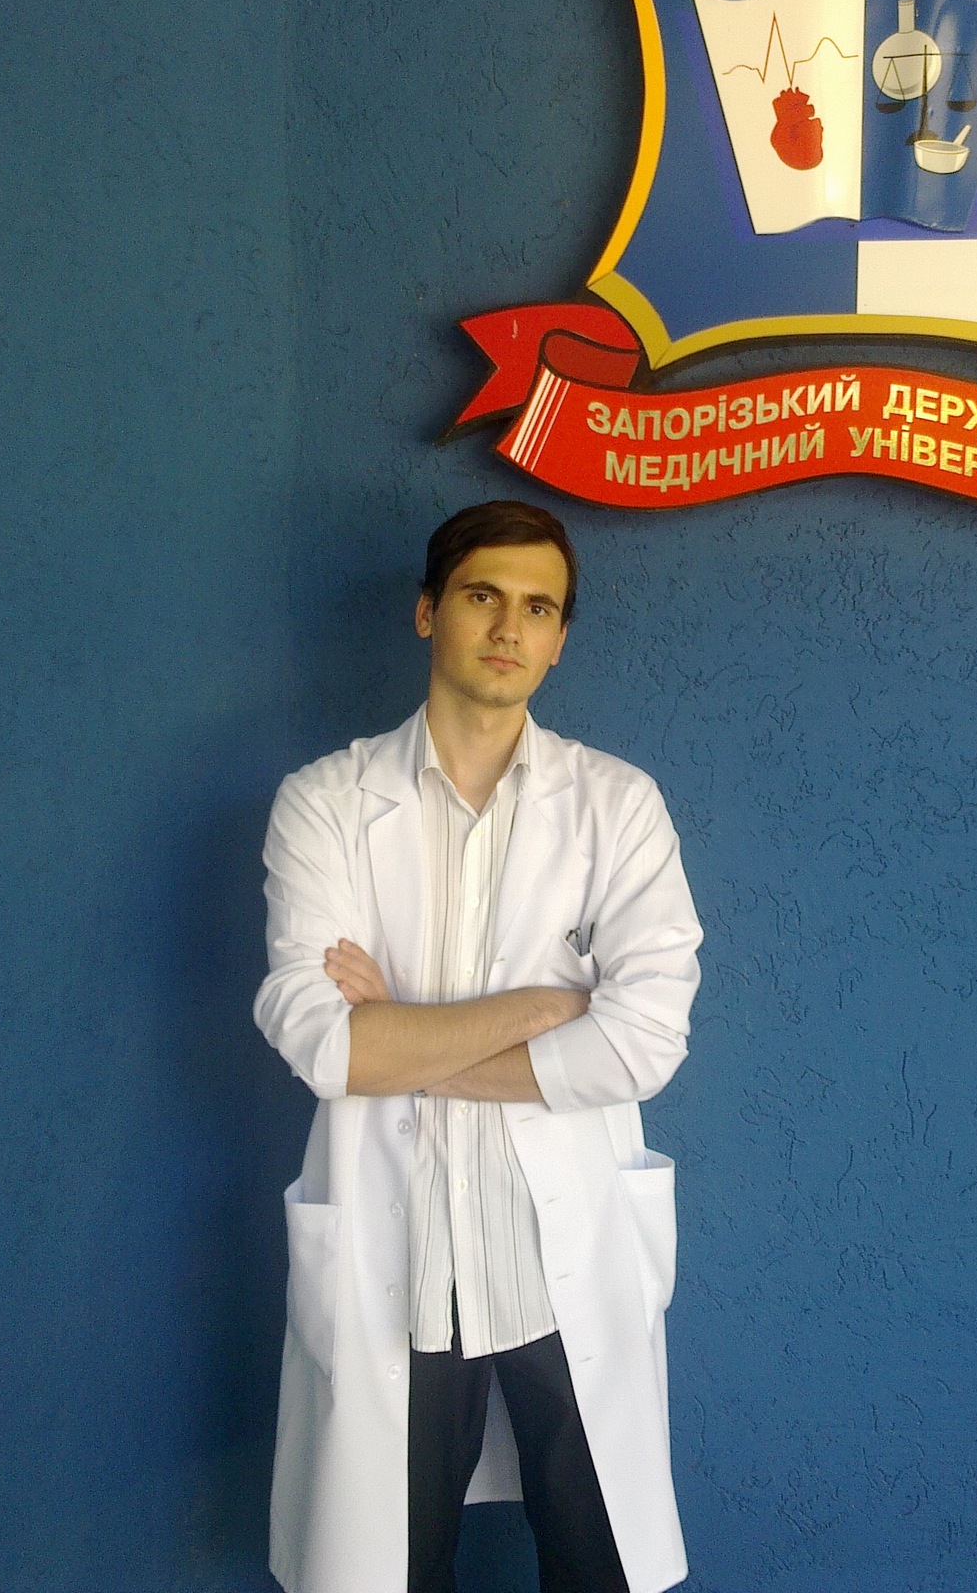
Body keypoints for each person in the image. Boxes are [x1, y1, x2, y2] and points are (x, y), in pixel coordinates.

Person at [255, 500, 703, 1593]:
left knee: (601, 1569)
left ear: (559, 640)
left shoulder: (617, 806)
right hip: (405, 1264)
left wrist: (400, 1034)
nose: (509, 626)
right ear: (428, 611)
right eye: (482, 595)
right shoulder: (325, 802)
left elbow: (644, 1041)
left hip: (560, 1264)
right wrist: (546, 1004)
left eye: (538, 608)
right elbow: (321, 1042)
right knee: (391, 1570)